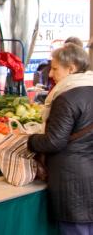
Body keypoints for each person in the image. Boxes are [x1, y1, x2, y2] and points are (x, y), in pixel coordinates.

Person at [28, 44, 93, 235]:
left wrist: (30, 140)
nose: (50, 74)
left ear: (71, 68)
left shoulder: (66, 97)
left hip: (73, 181)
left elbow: (54, 141)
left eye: (55, 68)